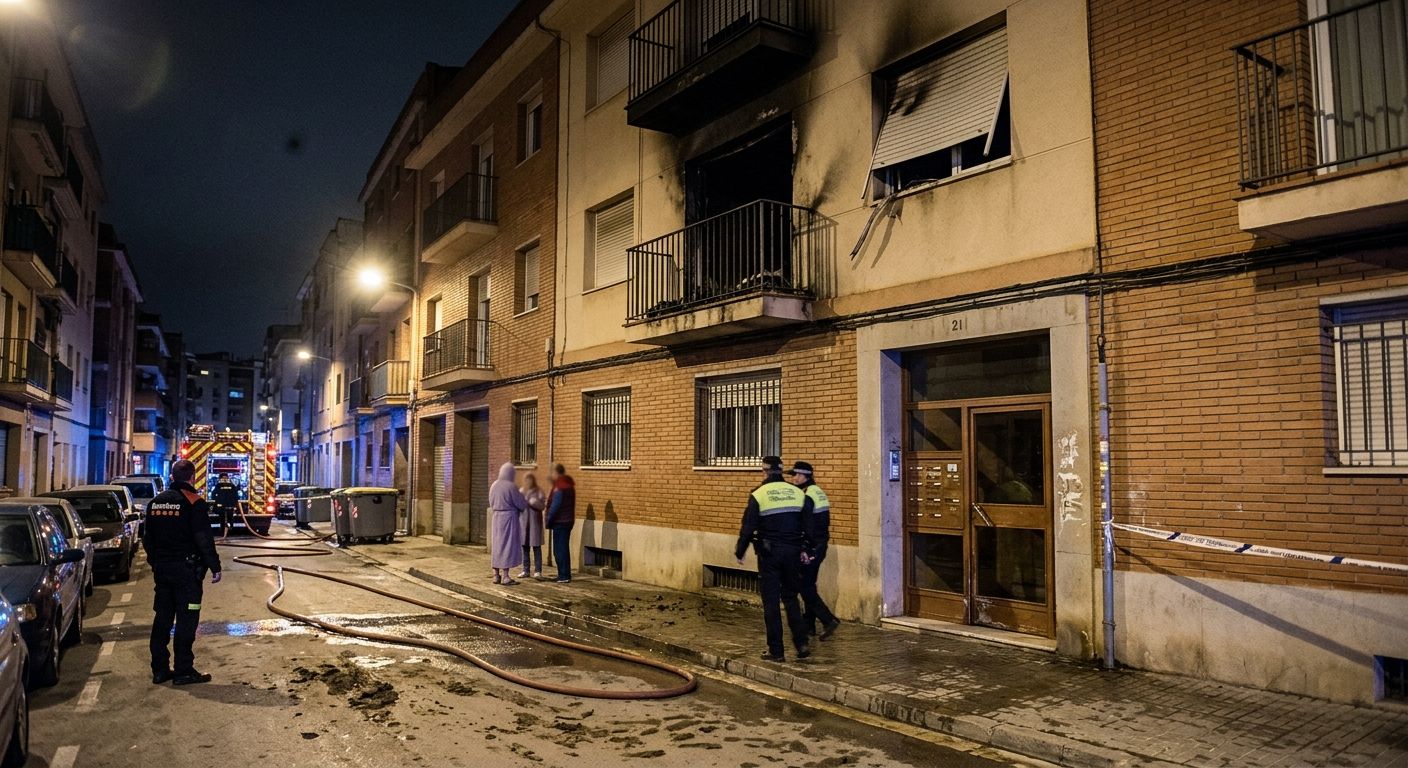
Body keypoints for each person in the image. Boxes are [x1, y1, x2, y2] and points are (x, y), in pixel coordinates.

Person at [143, 459, 222, 685]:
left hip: (163, 571)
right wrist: (214, 566)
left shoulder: (155, 503)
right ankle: (183, 670)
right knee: (187, 620)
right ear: (191, 478)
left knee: (162, 619)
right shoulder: (194, 502)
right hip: (187, 573)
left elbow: (148, 540)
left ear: (172, 477)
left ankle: (159, 669)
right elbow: (203, 539)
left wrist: (156, 563)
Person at [735, 455, 814, 662]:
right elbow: (808, 526)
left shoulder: (758, 494)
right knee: (790, 598)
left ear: (764, 471)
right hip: (793, 552)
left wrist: (740, 551)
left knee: (771, 602)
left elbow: (748, 527)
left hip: (769, 554)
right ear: (781, 471)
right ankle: (801, 642)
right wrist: (806, 548)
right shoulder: (798, 493)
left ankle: (776, 651)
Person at [786, 460, 840, 640]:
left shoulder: (807, 496)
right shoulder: (819, 492)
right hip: (820, 544)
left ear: (803, 476)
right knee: (809, 584)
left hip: (811, 547)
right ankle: (809, 625)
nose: (793, 478)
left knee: (803, 585)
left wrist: (804, 548)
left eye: (794, 475)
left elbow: (806, 526)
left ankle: (828, 620)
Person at [488, 463, 528, 585]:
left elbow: (490, 501)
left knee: (497, 545)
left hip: (496, 518)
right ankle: (505, 576)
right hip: (508, 519)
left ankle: (496, 575)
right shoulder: (511, 486)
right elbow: (521, 503)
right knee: (507, 545)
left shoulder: (494, 485)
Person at [544, 465, 575, 583]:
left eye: (552, 472)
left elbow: (555, 506)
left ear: (556, 473)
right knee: (563, 549)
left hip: (560, 522)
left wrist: (548, 520)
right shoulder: (568, 484)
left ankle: (564, 575)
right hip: (566, 520)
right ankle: (563, 574)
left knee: (559, 550)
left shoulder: (560, 486)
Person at [518, 472, 546, 579]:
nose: (528, 482)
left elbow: (542, 506)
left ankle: (538, 571)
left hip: (535, 525)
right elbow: (517, 506)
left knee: (536, 548)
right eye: (526, 480)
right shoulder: (521, 491)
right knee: (525, 548)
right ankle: (525, 570)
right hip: (523, 524)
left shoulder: (539, 491)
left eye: (530, 480)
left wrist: (534, 502)